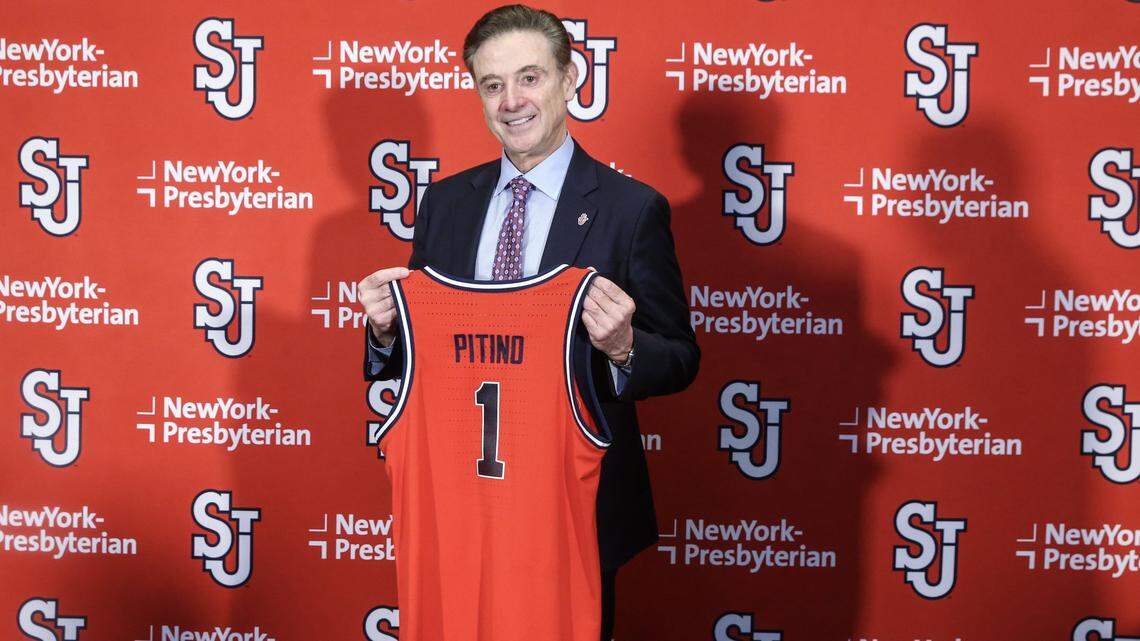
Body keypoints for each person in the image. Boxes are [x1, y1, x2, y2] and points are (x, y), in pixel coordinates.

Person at [358, 5, 699, 638]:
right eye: (492, 84)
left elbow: (680, 357)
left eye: (530, 78)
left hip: (572, 506)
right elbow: (430, 350)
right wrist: (384, 332)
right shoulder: (446, 202)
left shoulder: (631, 210)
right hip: (462, 496)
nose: (511, 100)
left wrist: (624, 348)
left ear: (572, 78)